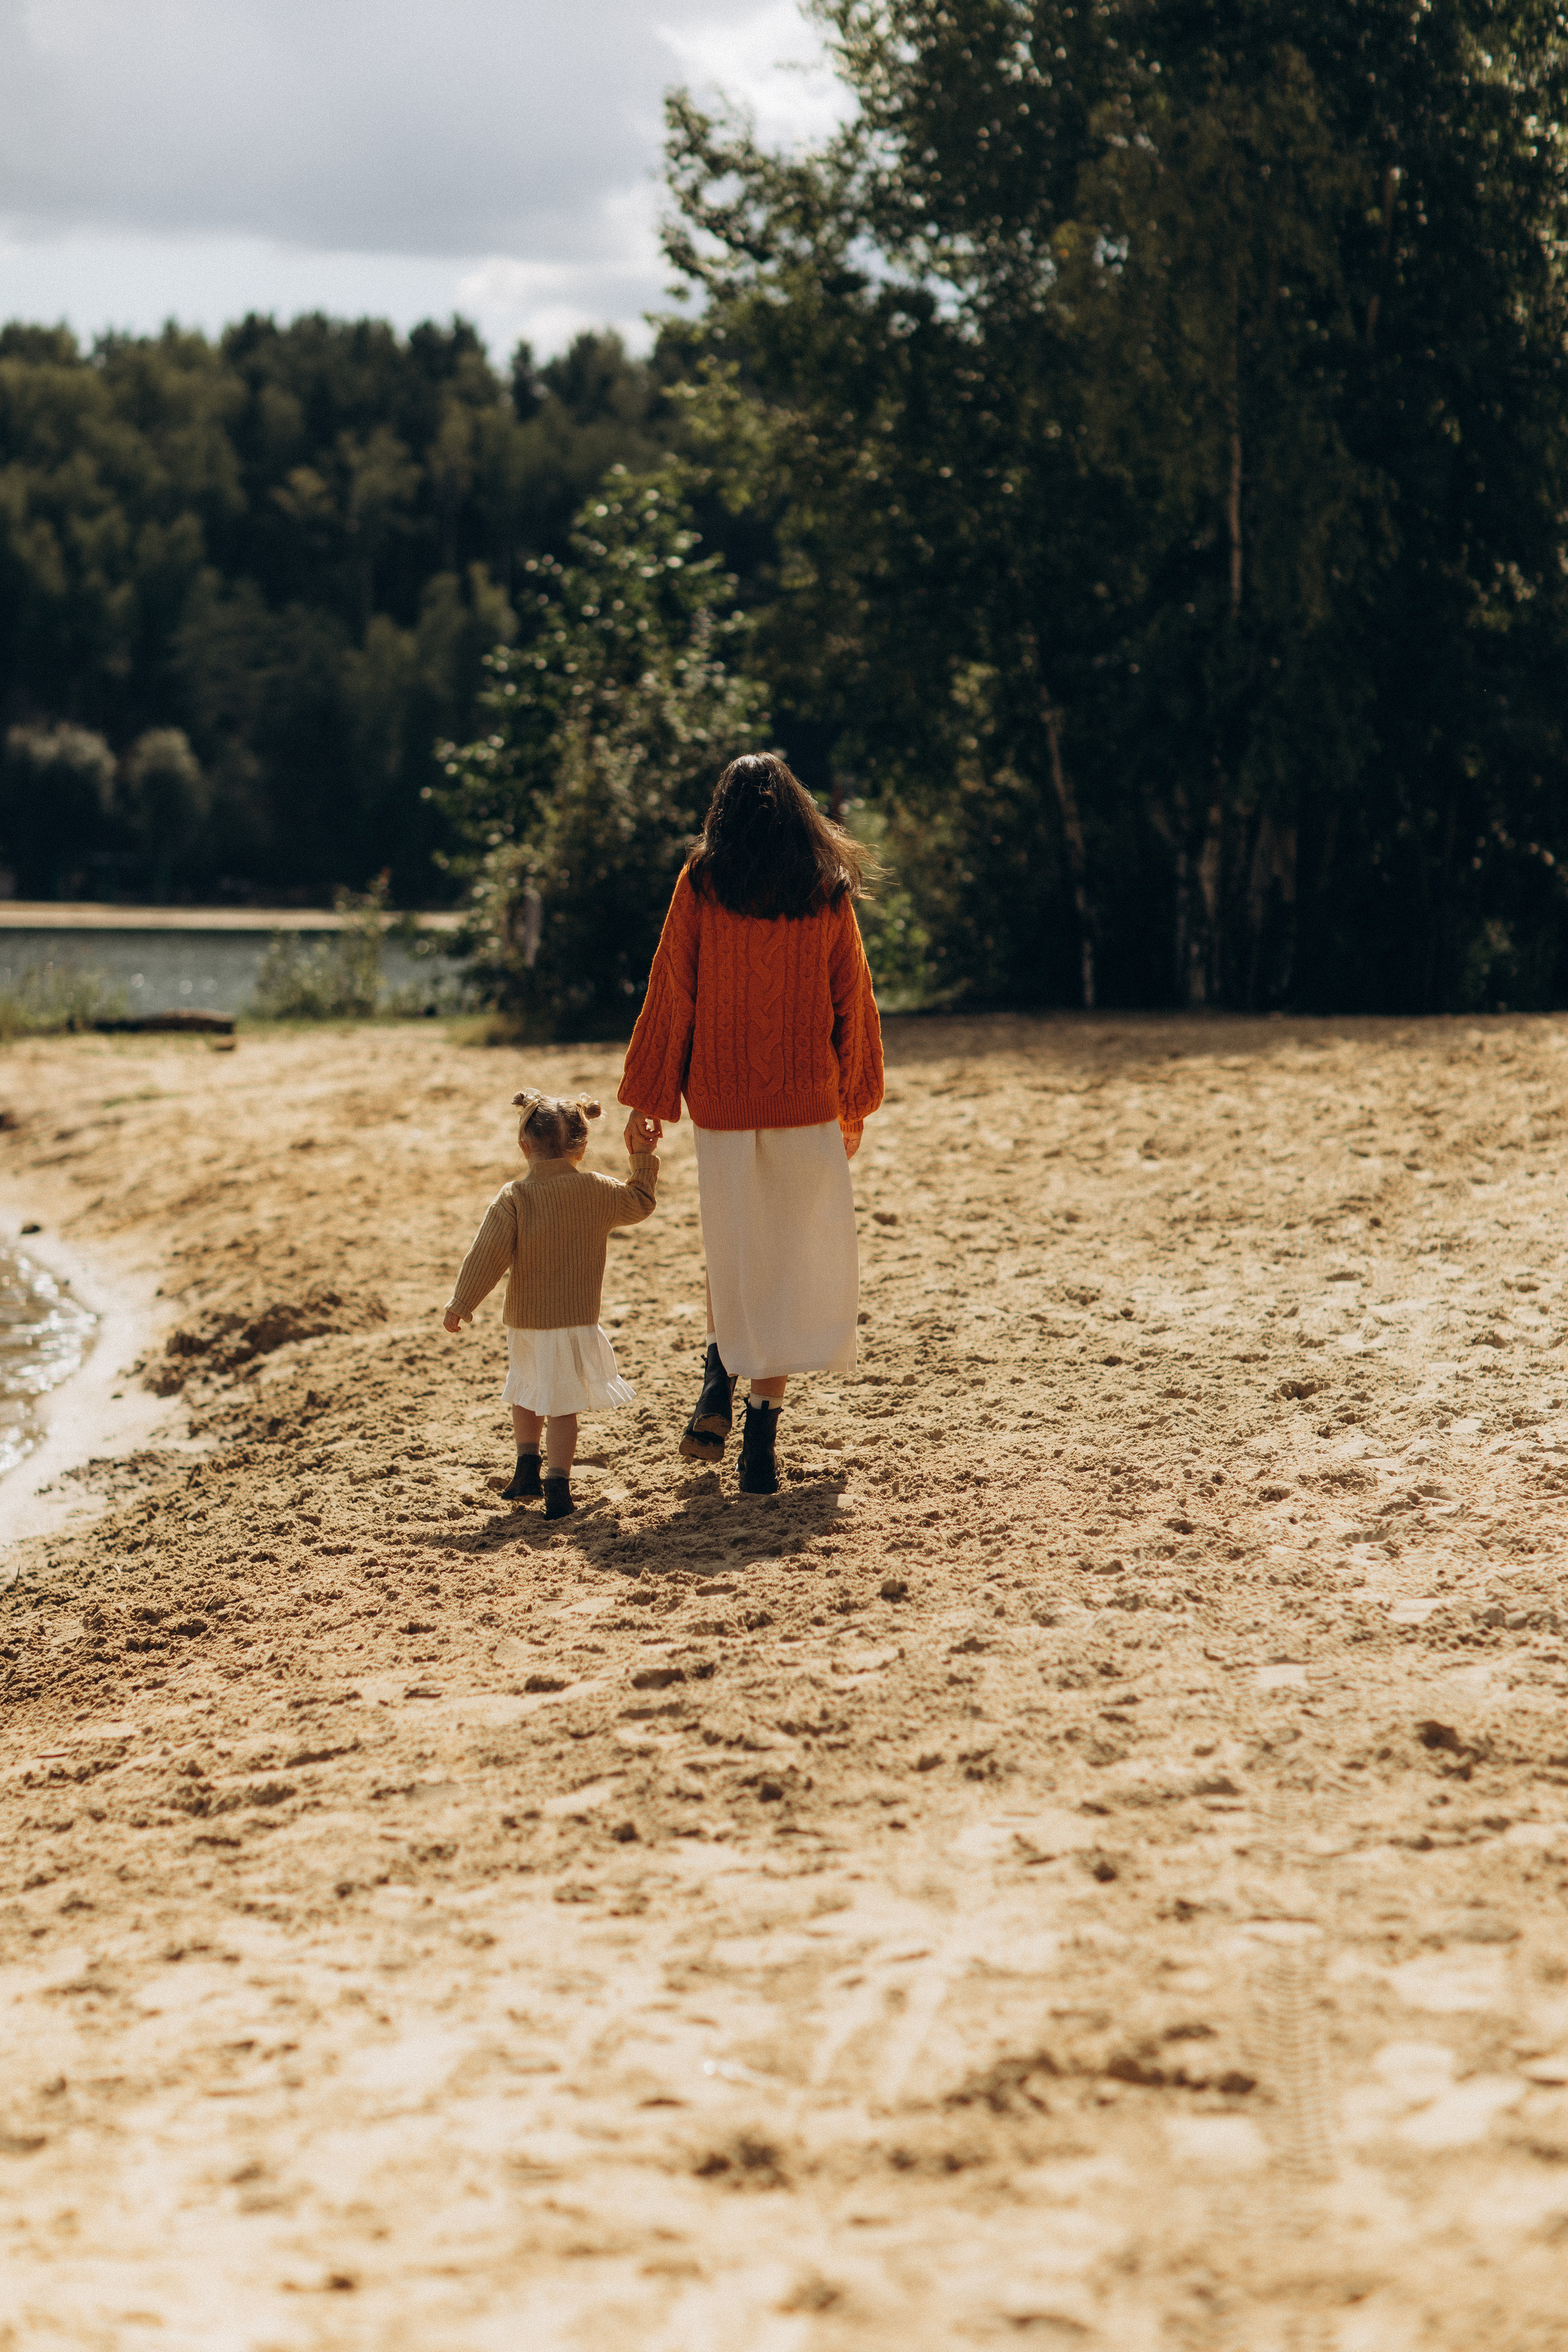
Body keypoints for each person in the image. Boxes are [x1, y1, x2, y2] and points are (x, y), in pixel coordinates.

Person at [618, 750, 883, 1494]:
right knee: (790, 1264)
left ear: (722, 813)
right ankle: (760, 1443)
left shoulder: (702, 879)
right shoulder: (826, 886)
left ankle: (716, 1369)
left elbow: (674, 987)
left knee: (733, 1253)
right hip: (803, 1101)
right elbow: (851, 997)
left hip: (724, 1102)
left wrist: (651, 1095)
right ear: (800, 809)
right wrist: (853, 1094)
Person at [443, 1091, 658, 1520]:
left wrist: (462, 1303)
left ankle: (526, 1469)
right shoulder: (597, 1189)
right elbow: (641, 1203)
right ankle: (558, 1484)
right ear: (582, 1147)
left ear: (525, 1145)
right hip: (576, 1320)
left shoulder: (515, 1196)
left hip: (526, 1321)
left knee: (524, 1388)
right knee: (562, 1405)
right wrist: (642, 1160)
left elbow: (487, 1254)